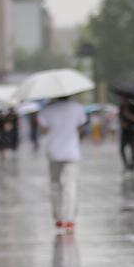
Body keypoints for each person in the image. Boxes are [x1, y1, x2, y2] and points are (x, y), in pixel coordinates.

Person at [39, 94, 88, 231]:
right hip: (71, 151)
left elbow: (43, 129)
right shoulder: (78, 108)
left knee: (55, 185)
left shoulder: (47, 109)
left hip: (53, 151)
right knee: (70, 186)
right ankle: (69, 219)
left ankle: (59, 218)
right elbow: (80, 128)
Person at [118, 97, 134, 171]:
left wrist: (128, 114)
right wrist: (122, 123)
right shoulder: (121, 107)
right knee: (121, 149)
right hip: (124, 132)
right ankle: (126, 165)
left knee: (132, 149)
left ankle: (133, 165)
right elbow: (119, 118)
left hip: (132, 131)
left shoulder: (133, 107)